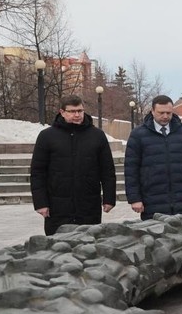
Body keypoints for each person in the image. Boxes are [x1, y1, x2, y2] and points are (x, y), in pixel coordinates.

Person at [30, 94, 117, 235]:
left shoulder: (97, 135)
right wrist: (41, 203)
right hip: (57, 206)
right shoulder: (47, 136)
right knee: (57, 245)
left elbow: (107, 170)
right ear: (62, 112)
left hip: (89, 205)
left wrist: (109, 198)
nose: (77, 115)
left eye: (80, 111)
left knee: (89, 244)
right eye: (72, 111)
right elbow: (38, 172)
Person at [124, 95, 182, 220]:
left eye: (168, 113)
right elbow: (131, 169)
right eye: (161, 113)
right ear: (152, 111)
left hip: (181, 199)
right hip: (151, 200)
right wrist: (135, 198)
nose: (165, 116)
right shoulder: (138, 135)